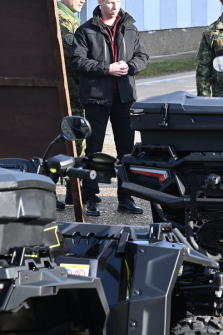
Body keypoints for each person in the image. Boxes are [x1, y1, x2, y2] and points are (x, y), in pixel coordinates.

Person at [72, 0, 149, 216]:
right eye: (109, 1)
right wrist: (107, 69)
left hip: (124, 98)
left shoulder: (130, 27)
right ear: (100, 2)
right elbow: (77, 61)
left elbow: (142, 57)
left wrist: (130, 66)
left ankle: (126, 198)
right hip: (96, 98)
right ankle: (91, 198)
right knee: (93, 149)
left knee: (126, 150)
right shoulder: (86, 29)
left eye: (117, 1)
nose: (114, 5)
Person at [58, 0, 86, 211]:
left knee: (76, 142)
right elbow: (72, 61)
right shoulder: (60, 19)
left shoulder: (72, 19)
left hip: (74, 95)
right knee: (68, 142)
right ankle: (59, 191)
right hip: (67, 95)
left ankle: (72, 191)